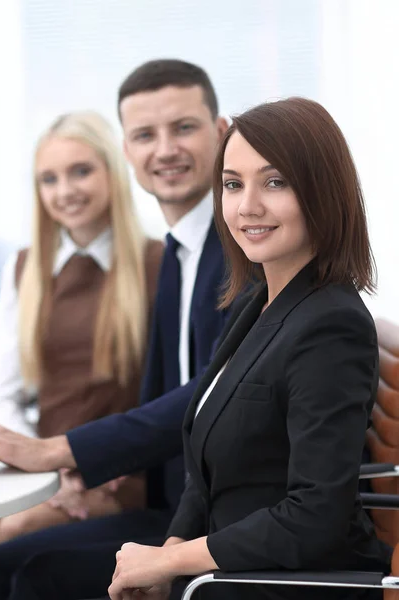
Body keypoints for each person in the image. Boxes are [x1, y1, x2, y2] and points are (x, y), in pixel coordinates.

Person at [0, 59, 230, 600]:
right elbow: (9, 395)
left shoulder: (185, 256)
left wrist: (70, 458)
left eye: (184, 128)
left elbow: (202, 398)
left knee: (21, 554)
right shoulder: (178, 252)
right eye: (146, 135)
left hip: (159, 493)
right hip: (131, 477)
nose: (166, 149)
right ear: (129, 152)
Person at [107, 97, 393, 600]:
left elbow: (314, 519)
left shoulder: (331, 326)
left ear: (322, 193)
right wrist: (169, 559)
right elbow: (204, 472)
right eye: (233, 184)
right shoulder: (257, 300)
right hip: (226, 573)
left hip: (289, 584)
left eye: (275, 182)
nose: (247, 206)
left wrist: (171, 560)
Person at [0, 110, 164, 600]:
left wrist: (87, 464)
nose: (65, 190)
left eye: (81, 171)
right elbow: (5, 397)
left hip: (119, 475)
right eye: (49, 178)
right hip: (44, 467)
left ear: (112, 170)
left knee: (13, 531)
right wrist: (47, 467)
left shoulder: (157, 264)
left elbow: (168, 400)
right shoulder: (25, 268)